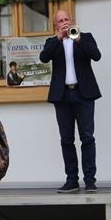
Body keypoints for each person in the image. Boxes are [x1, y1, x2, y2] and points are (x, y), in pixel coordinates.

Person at [39, 10, 102, 193]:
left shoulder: (85, 37)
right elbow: (44, 58)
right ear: (56, 25)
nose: (64, 22)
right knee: (66, 140)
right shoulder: (52, 42)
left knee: (87, 137)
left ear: (72, 21)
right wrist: (58, 38)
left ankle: (89, 180)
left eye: (67, 19)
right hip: (62, 95)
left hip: (84, 94)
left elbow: (96, 55)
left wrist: (78, 39)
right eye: (60, 21)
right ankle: (72, 180)